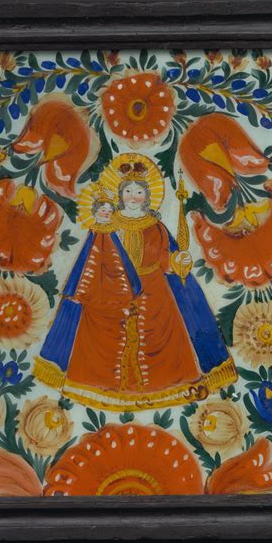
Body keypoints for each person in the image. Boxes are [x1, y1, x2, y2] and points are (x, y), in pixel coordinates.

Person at [34, 156, 236, 411]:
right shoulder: (108, 225)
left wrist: (179, 261)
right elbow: (95, 260)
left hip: (155, 294)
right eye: (128, 191)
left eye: (139, 192)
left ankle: (158, 391)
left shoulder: (156, 227)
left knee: (160, 350)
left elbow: (166, 260)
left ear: (147, 196)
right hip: (115, 292)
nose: (133, 196)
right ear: (120, 195)